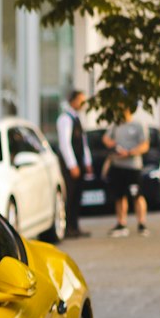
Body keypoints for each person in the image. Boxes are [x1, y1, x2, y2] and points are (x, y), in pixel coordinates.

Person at [103, 105, 151, 236]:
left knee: (137, 195)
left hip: (133, 166)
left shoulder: (138, 125)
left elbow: (145, 145)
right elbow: (106, 139)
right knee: (119, 196)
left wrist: (129, 152)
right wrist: (113, 146)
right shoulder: (115, 125)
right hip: (118, 166)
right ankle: (121, 224)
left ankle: (142, 224)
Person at [56, 89, 94, 238]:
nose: (83, 104)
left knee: (77, 196)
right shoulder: (65, 119)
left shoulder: (77, 118)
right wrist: (72, 165)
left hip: (79, 162)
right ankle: (68, 228)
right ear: (73, 100)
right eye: (81, 100)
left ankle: (75, 226)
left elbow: (82, 142)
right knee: (70, 195)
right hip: (70, 165)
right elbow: (65, 144)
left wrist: (87, 161)